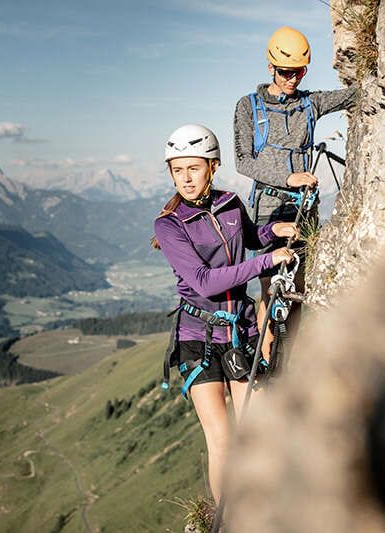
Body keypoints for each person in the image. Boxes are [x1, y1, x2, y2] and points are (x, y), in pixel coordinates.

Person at [153, 124, 298, 504]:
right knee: (222, 440)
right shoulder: (168, 225)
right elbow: (204, 282)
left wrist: (274, 231)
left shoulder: (230, 203)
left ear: (212, 167)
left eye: (193, 168)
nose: (185, 178)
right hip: (198, 340)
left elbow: (248, 238)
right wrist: (266, 262)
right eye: (177, 170)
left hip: (241, 332)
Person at [233, 26, 357, 368]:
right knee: (270, 286)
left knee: (298, 285)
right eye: (287, 72)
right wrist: (288, 177)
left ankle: (292, 365)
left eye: (299, 72)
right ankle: (266, 362)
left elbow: (354, 95)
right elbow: (244, 161)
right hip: (269, 209)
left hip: (304, 208)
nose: (292, 79)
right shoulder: (248, 107)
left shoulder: (310, 104)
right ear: (271, 67)